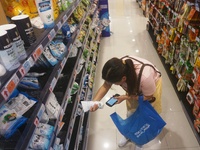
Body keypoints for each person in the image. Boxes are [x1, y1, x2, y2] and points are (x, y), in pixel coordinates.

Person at [90, 55, 162, 149]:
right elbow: (106, 85)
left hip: (150, 90)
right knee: (131, 113)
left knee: (144, 116)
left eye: (114, 83)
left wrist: (125, 97)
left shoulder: (145, 77)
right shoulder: (119, 68)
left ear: (123, 79)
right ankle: (129, 134)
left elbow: (148, 96)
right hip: (135, 87)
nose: (113, 84)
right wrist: (94, 102)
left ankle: (139, 141)